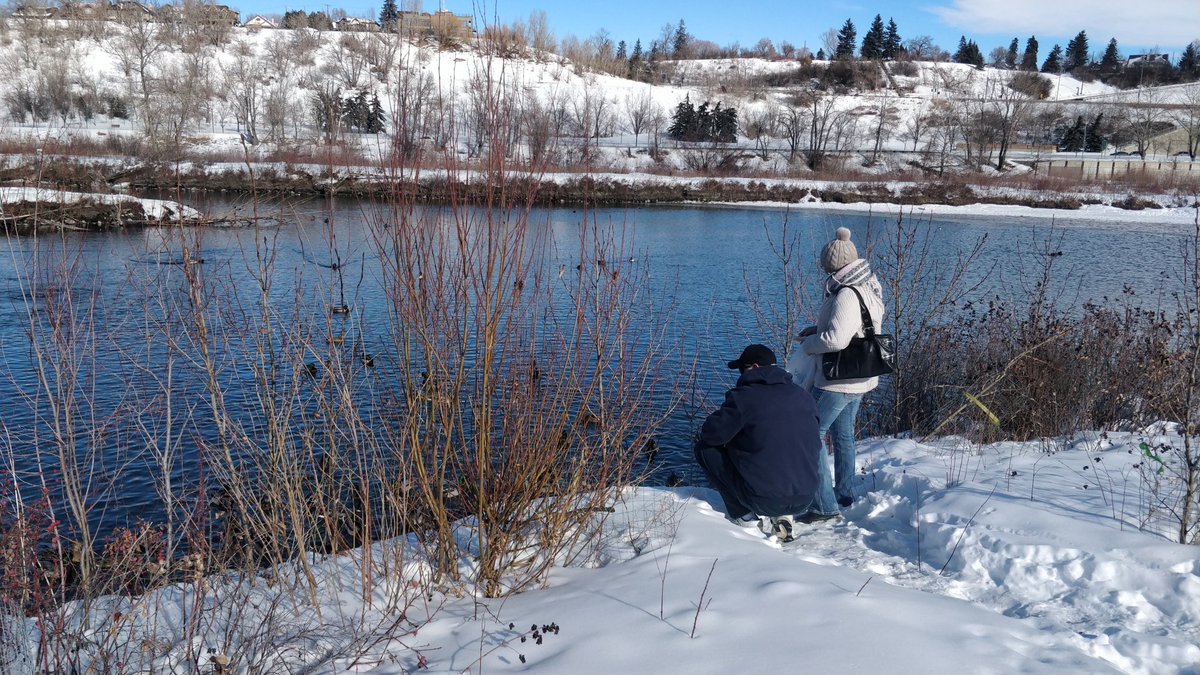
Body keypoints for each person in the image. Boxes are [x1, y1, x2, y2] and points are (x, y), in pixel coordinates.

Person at [693, 344, 830, 540]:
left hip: (763, 499)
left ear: (755, 367)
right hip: (805, 497)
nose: (740, 375)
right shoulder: (803, 396)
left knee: (704, 449)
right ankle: (784, 515)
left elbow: (710, 434)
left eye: (742, 369)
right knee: (786, 443)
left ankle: (744, 516)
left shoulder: (744, 398)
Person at [799, 227, 886, 510]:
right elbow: (860, 328)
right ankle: (844, 493)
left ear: (834, 267)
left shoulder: (846, 293)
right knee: (843, 434)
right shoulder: (869, 284)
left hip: (839, 380)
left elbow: (836, 340)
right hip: (861, 375)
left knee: (808, 433)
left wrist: (809, 343)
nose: (825, 274)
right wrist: (819, 328)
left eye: (826, 268)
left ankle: (822, 505)